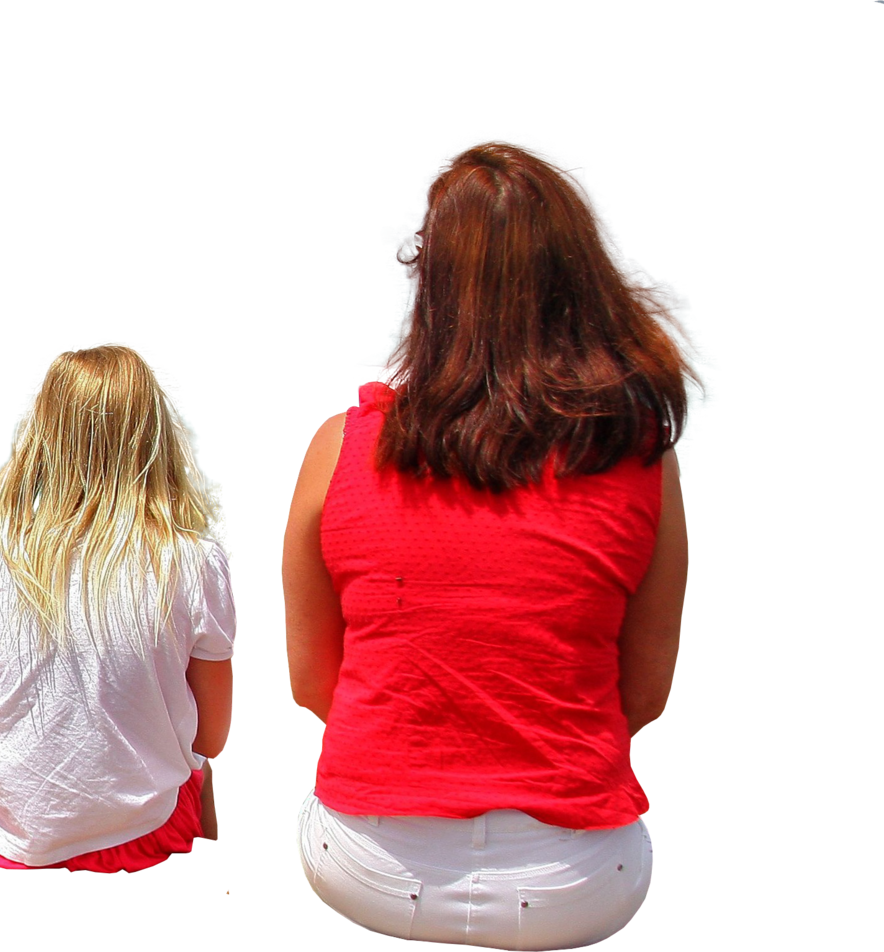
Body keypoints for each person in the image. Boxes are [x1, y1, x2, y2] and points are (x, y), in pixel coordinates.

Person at [283, 142, 696, 949]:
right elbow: (643, 696)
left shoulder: (339, 447)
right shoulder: (643, 457)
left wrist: (426, 752)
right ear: (581, 279)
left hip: (370, 869)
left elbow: (311, 685)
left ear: (429, 284)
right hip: (577, 884)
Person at [0, 341, 236, 872]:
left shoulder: (9, 543)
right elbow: (213, 736)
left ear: (43, 443)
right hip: (134, 832)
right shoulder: (196, 564)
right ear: (158, 440)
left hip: (5, 822)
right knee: (202, 773)